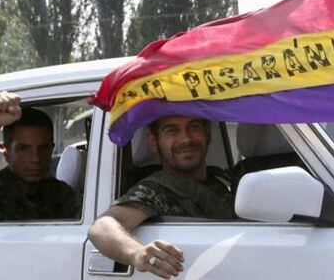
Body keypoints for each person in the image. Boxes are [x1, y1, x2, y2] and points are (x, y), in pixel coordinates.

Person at [88, 115, 233, 279]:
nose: (186, 138)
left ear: (208, 134)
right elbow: (101, 227)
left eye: (195, 127)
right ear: (153, 142)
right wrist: (138, 252)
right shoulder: (155, 190)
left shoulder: (222, 182)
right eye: (172, 131)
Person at [0, 91, 82, 221]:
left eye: (43, 148)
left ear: (52, 150)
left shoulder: (59, 192)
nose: (35, 158)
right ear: (6, 153)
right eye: (23, 149)